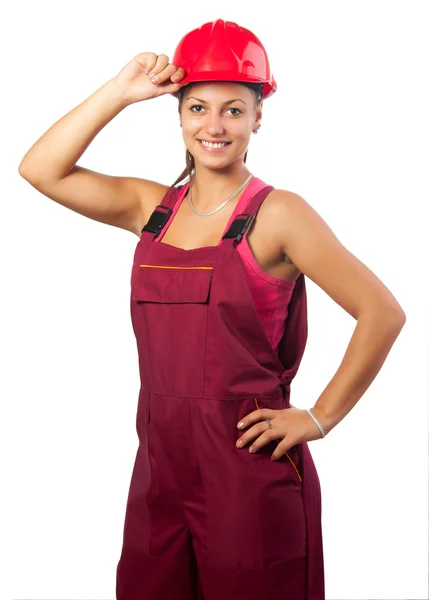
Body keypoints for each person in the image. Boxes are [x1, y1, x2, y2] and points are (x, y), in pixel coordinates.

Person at [19, 18, 406, 600]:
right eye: (197, 107)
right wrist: (121, 91)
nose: (214, 125)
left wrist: (320, 416)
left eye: (233, 109)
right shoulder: (153, 208)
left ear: (258, 118)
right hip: (159, 467)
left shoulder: (279, 214)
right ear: (177, 114)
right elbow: (39, 168)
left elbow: (382, 312)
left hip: (248, 470)